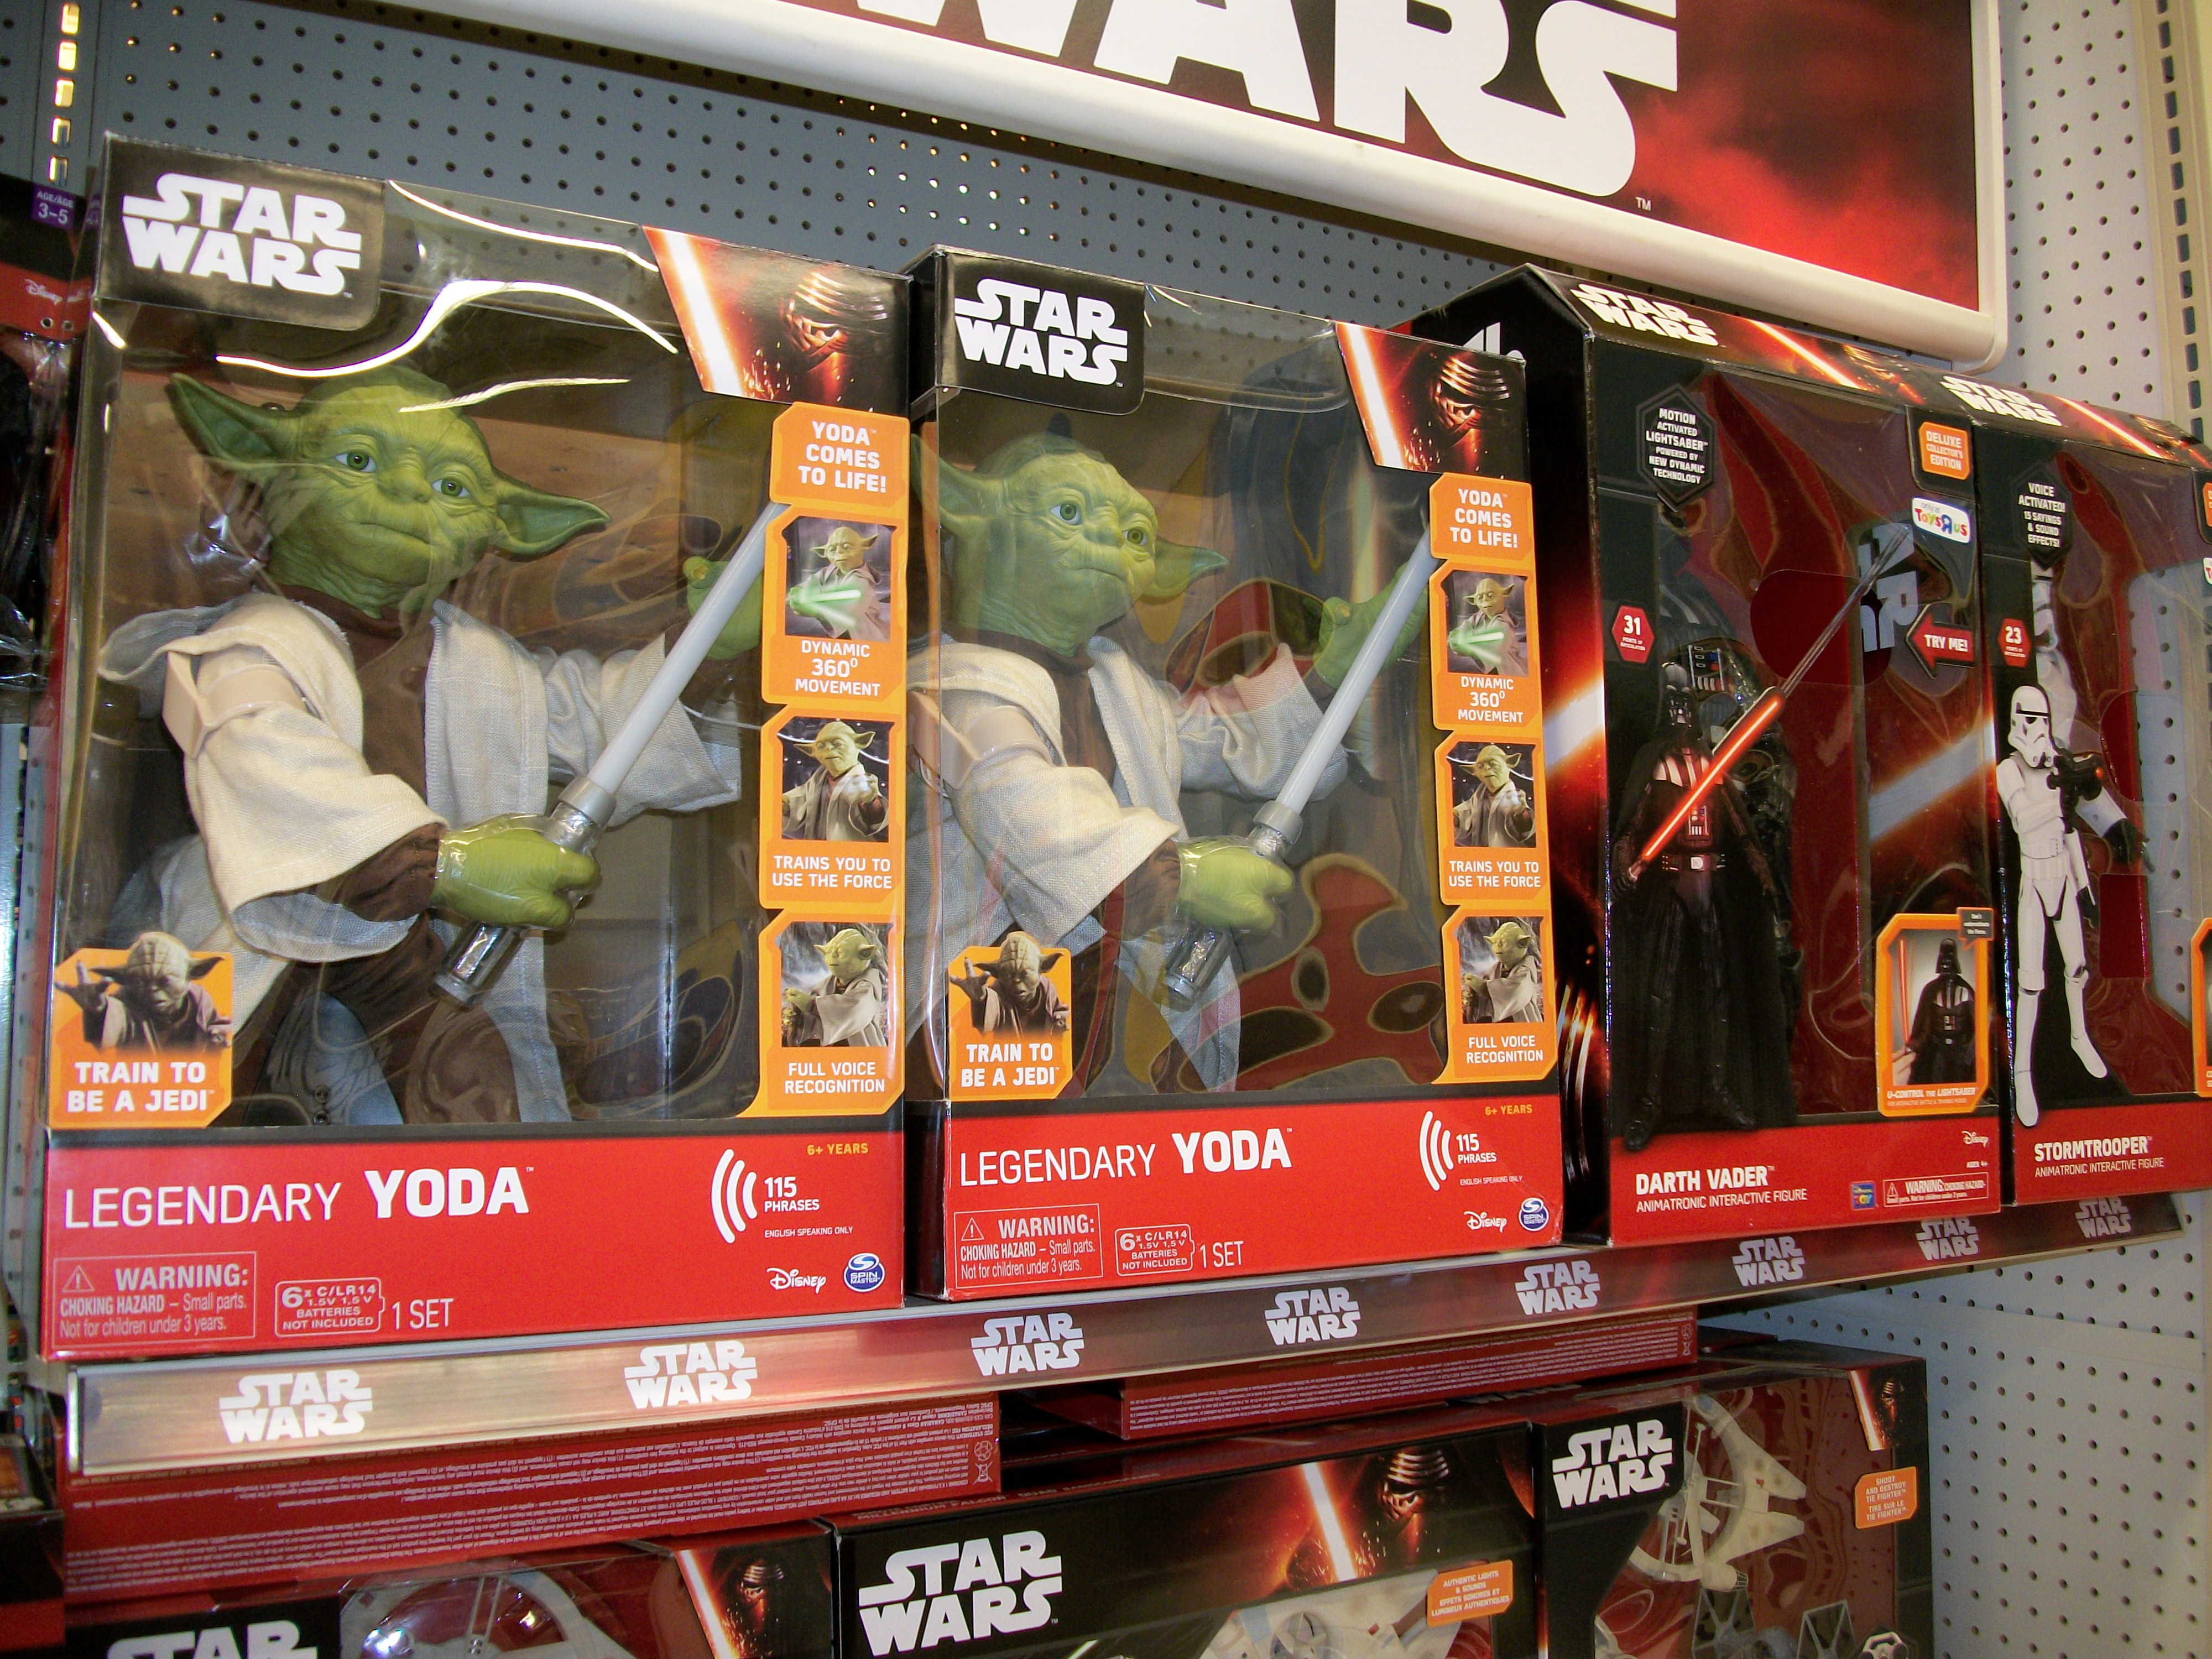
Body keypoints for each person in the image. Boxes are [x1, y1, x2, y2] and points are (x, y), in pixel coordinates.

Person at [98, 369, 755, 1123]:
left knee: (471, 1102)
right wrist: (445, 865)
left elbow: (604, 722)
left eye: (452, 487)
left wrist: (707, 651)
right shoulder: (245, 648)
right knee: (166, 1133)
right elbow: (264, 755)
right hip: (239, 931)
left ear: (502, 528)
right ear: (266, 460)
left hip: (409, 957)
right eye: (358, 460)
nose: (408, 492)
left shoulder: (483, 666)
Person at [910, 432, 1421, 1090]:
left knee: (1111, 1123)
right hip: (988, 995)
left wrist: (1332, 670)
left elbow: (1222, 738)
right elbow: (1024, 808)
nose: (1111, 543)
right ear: (969, 510)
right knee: (1019, 1130)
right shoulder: (952, 687)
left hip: (1116, 1019)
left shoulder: (1120, 686)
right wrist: (1185, 876)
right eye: (1068, 512)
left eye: (1135, 535)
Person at [1609, 669, 1795, 1150]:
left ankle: (1716, 1090)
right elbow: (1631, 825)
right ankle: (1649, 1102)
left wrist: (1765, 882)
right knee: (1661, 995)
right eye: (1673, 706)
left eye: (1686, 706)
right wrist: (1624, 867)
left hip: (1710, 886)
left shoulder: (1713, 765)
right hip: (1670, 887)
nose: (1681, 715)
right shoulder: (1655, 765)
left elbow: (1740, 828)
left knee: (1717, 994)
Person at [1997, 682, 2109, 1125]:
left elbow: (2069, 833)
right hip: (2033, 879)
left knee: (2077, 969)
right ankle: (2022, 1072)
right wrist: (2057, 799)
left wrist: (2085, 891)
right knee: (2030, 984)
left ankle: (2079, 1037)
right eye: (2031, 720)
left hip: (2062, 873)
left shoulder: (2057, 764)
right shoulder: (2009, 770)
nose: (2038, 729)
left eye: (2043, 720)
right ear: (2016, 721)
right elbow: (2022, 820)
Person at [59, 931, 230, 1052]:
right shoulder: (126, 1004)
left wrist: (217, 1036)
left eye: (165, 981)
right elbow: (113, 1021)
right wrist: (98, 1010)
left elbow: (217, 1024)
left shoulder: (199, 999)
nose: (152, 990)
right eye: (140, 981)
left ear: (191, 975)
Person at [780, 720, 888, 842]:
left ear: (860, 743)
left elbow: (873, 820)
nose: (829, 749)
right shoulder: (817, 780)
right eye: (821, 746)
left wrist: (871, 802)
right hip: (817, 850)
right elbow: (798, 800)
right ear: (813, 752)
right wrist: (785, 805)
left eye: (838, 744)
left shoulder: (862, 782)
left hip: (849, 851)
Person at [783, 926, 888, 1047]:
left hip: (860, 1051)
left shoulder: (868, 986)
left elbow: (853, 1011)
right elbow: (816, 1016)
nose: (831, 959)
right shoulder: (829, 984)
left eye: (840, 953)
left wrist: (810, 1004)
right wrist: (798, 1013)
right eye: (828, 953)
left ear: (865, 954)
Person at [949, 931, 1069, 1035]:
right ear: (998, 973)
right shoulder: (998, 994)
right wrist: (981, 999)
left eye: (1025, 974)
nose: (1016, 981)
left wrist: (1059, 1019)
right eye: (1008, 975)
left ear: (1042, 967)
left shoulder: (1047, 989)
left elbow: (1059, 1010)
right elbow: (991, 1011)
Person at [787, 524, 890, 641]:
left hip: (864, 636)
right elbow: (811, 584)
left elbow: (845, 610)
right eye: (832, 550)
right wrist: (798, 593)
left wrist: (816, 611)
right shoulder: (830, 571)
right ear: (824, 553)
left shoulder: (862, 580)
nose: (839, 552)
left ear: (865, 545)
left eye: (847, 547)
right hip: (840, 633)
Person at [1906, 936, 1978, 1084]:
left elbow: (1978, 1026)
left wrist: (1970, 1053)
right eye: (1944, 962)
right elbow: (1924, 1025)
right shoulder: (1931, 991)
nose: (1947, 967)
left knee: (1961, 1084)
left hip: (1961, 1051)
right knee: (1937, 1083)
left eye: (1950, 962)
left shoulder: (1966, 990)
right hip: (1938, 1050)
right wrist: (1914, 1046)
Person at [1453, 744, 1536, 848]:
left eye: (1493, 764)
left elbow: (1524, 829)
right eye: (1481, 767)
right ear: (1475, 772)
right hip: (1481, 856)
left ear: (1509, 764)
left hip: (1507, 856)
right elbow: (1461, 818)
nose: (1487, 769)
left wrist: (1521, 814)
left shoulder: (1514, 799)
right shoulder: (1477, 799)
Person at [1460, 919, 1542, 1024]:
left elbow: (1515, 993)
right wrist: (1474, 995)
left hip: (1522, 1024)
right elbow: (1487, 998)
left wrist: (1482, 986)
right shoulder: (1496, 969)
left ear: (1522, 943)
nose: (1497, 947)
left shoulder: (1527, 969)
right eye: (1495, 943)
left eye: (1503, 943)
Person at [1445, 577, 1525, 676]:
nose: (1485, 600)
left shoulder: (1503, 624)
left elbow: (1493, 649)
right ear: (1474, 601)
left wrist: (1469, 650)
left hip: (1508, 671)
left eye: (1491, 596)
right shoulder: (1480, 616)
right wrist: (1454, 638)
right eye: (1480, 598)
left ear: (1505, 594)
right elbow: (1464, 628)